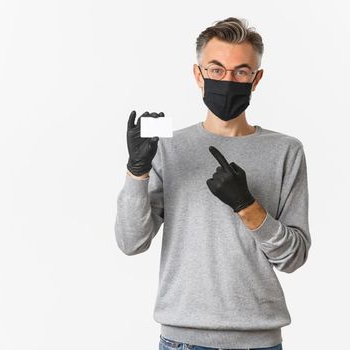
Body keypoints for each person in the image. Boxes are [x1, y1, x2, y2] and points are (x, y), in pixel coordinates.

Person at [115, 17, 310, 350]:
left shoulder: (285, 150)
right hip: (182, 339)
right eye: (216, 70)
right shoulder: (170, 147)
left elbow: (293, 257)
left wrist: (247, 207)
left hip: (258, 339)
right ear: (198, 75)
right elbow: (131, 242)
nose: (228, 79)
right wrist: (137, 170)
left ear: (256, 78)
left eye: (241, 72)